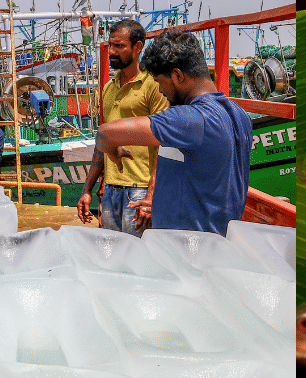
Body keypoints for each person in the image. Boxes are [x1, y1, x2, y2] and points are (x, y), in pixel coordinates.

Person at [94, 29, 251, 236]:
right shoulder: (239, 115)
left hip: (188, 251)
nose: (160, 91)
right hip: (217, 240)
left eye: (159, 83)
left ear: (177, 75)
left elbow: (105, 134)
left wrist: (112, 152)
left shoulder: (190, 118)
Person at [78, 19, 170, 236]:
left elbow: (162, 144)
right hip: (110, 190)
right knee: (114, 259)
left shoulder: (153, 86)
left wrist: (151, 195)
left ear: (138, 47)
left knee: (138, 259)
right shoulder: (109, 88)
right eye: (111, 45)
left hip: (139, 191)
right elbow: (103, 142)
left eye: (119, 46)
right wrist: (88, 189)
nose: (111, 51)